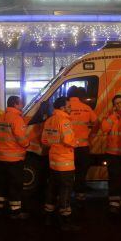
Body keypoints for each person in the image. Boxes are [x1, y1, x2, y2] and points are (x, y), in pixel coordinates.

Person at [41, 97, 80, 231]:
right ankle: (65, 220)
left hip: (53, 162)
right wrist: (77, 143)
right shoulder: (65, 121)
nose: (70, 108)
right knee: (65, 191)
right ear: (62, 108)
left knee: (52, 189)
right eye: (69, 106)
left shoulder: (49, 120)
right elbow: (69, 140)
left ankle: (48, 217)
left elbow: (44, 141)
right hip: (65, 163)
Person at [0, 95, 29, 219]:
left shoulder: (0, 118)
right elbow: (21, 137)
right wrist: (27, 144)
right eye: (20, 103)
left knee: (2, 183)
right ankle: (15, 211)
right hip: (14, 159)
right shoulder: (17, 119)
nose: (22, 105)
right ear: (15, 104)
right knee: (15, 184)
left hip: (1, 157)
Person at [67, 86, 98, 205]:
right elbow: (96, 123)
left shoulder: (66, 108)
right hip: (83, 146)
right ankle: (80, 196)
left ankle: (67, 197)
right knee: (81, 172)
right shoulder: (87, 108)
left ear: (69, 95)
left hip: (69, 147)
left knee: (68, 173)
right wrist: (91, 134)